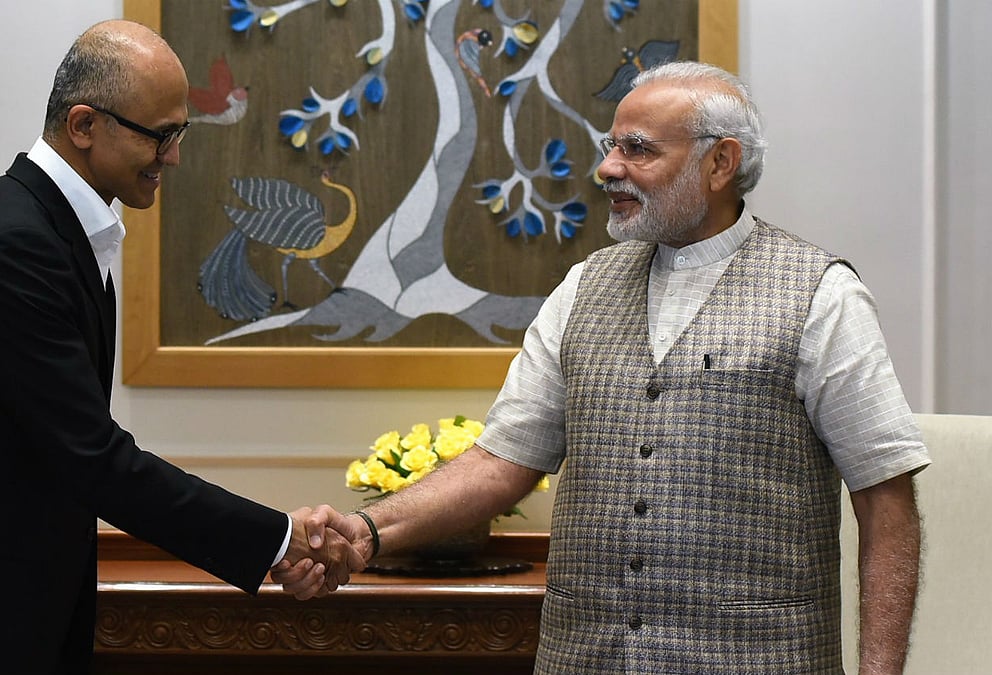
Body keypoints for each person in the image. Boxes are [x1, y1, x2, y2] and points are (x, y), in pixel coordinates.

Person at [276, 61, 930, 674]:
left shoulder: (821, 293)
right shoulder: (583, 287)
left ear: (719, 162)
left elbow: (886, 501)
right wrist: (367, 532)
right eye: (612, 147)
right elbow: (499, 463)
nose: (608, 168)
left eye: (638, 149)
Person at [0, 20, 359, 675]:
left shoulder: (54, 229)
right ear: (84, 125)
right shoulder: (13, 246)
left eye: (181, 132)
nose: (173, 155)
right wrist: (277, 539)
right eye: (162, 134)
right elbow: (94, 459)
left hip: (5, 621)